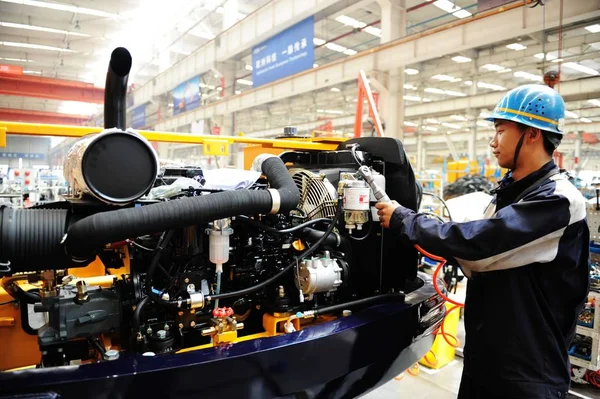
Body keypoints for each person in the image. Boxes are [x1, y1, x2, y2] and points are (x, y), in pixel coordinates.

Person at [376, 84, 589, 399]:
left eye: (501, 131)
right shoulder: (509, 194)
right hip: (486, 361)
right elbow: (475, 254)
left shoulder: (558, 200)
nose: (493, 142)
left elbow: (479, 245)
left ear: (532, 134)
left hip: (528, 374)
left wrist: (404, 220)